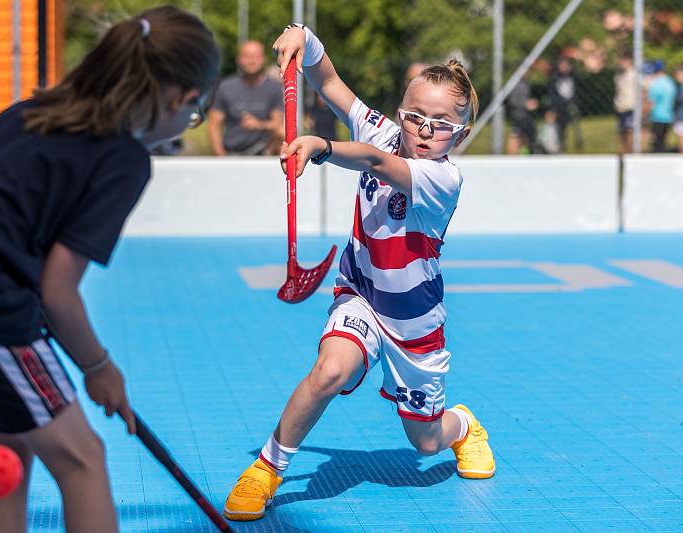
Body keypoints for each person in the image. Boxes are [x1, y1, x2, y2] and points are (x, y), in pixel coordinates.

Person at [0, 7, 219, 533]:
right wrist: (99, 367)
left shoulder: (29, 115)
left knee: (5, 445)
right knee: (82, 459)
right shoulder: (122, 158)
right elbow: (58, 292)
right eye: (194, 113)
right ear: (179, 97)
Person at [223, 24, 494, 522]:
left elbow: (373, 160)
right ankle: (267, 469)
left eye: (441, 123)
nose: (426, 129)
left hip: (414, 321)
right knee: (330, 371)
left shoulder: (442, 178)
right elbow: (329, 84)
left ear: (461, 133)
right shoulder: (383, 131)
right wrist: (304, 39)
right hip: (361, 293)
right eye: (416, 117)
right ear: (400, 114)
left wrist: (322, 147)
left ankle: (464, 426)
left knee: (426, 440)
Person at [208, 40, 284, 155]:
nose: (252, 61)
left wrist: (259, 125)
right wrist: (221, 158)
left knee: (282, 134)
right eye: (247, 56)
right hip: (232, 153)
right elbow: (214, 125)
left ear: (264, 59)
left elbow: (278, 125)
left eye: (256, 56)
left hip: (263, 153)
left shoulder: (274, 88)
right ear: (238, 60)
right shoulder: (225, 87)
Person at [547, 58, 578, 152]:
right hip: (558, 107)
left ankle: (563, 147)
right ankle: (556, 147)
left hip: (568, 107)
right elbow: (552, 94)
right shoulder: (555, 79)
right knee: (557, 129)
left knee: (564, 129)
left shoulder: (571, 78)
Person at [646, 59, 676, 153]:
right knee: (663, 140)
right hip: (668, 116)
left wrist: (645, 115)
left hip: (657, 116)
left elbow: (651, 102)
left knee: (656, 142)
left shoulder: (656, 84)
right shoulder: (670, 82)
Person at [506, 77, 538, 154]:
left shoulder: (526, 83)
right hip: (517, 116)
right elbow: (512, 100)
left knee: (528, 138)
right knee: (515, 136)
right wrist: (525, 104)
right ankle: (512, 157)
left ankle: (524, 154)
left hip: (526, 116)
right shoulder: (515, 83)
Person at [613, 53, 637, 155]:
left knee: (629, 130)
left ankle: (630, 151)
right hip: (620, 107)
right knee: (621, 130)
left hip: (630, 106)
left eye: (624, 61)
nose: (622, 63)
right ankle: (624, 150)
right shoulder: (618, 75)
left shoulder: (634, 74)